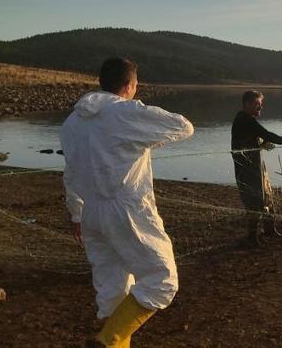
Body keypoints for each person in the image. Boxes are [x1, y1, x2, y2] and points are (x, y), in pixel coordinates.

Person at [61, 57, 194, 347]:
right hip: (126, 209)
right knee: (162, 280)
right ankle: (110, 340)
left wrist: (76, 214)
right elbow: (183, 126)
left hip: (91, 212)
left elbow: (70, 171)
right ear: (130, 84)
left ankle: (111, 338)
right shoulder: (126, 112)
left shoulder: (73, 122)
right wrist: (142, 136)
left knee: (113, 291)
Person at [231, 90, 282, 246]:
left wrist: (262, 144)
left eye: (261, 104)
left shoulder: (247, 119)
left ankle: (270, 230)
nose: (260, 108)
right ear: (246, 104)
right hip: (246, 168)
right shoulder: (244, 119)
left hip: (256, 165)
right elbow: (266, 134)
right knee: (254, 199)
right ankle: (252, 237)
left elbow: (256, 138)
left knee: (267, 195)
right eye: (257, 104)